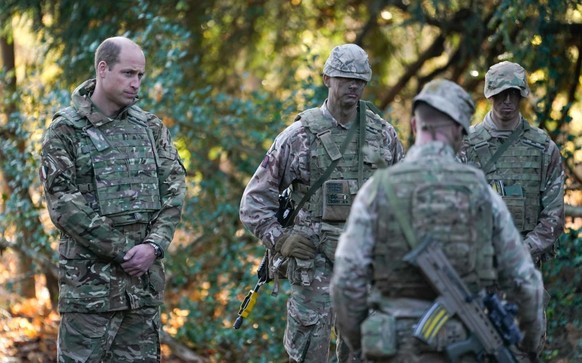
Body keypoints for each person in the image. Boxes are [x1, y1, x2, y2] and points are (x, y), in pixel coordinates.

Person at [331, 79, 546, 362]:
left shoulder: (378, 189)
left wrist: (361, 343)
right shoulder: (479, 191)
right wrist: (529, 342)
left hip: (393, 348)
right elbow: (524, 280)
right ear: (459, 132)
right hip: (462, 343)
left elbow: (346, 279)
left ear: (412, 126)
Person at [239, 43, 404, 362]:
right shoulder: (299, 136)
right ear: (327, 78)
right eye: (345, 78)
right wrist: (281, 238)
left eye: (359, 80)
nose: (353, 86)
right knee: (307, 354)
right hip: (313, 268)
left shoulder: (383, 136)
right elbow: (254, 201)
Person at [40, 36, 186, 362]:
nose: (136, 84)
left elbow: (175, 188)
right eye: (128, 73)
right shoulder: (66, 130)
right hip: (89, 292)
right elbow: (63, 203)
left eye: (140, 76)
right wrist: (124, 252)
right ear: (103, 69)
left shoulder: (151, 127)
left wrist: (154, 246)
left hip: (142, 293)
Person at [461, 61, 565, 268]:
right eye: (501, 93)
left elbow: (554, 216)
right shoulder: (464, 145)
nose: (507, 100)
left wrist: (523, 252)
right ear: (490, 94)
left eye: (513, 93)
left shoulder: (543, 148)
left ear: (521, 95)